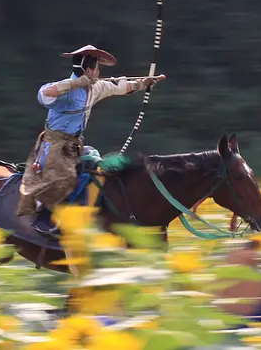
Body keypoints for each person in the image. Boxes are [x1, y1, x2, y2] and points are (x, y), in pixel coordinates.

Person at [16, 45, 162, 240]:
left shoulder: (95, 87)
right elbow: (43, 94)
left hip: (75, 144)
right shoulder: (66, 90)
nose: (99, 73)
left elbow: (120, 87)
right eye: (96, 68)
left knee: (96, 166)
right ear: (89, 69)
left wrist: (144, 83)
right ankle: (44, 217)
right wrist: (73, 84)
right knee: (65, 178)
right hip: (55, 145)